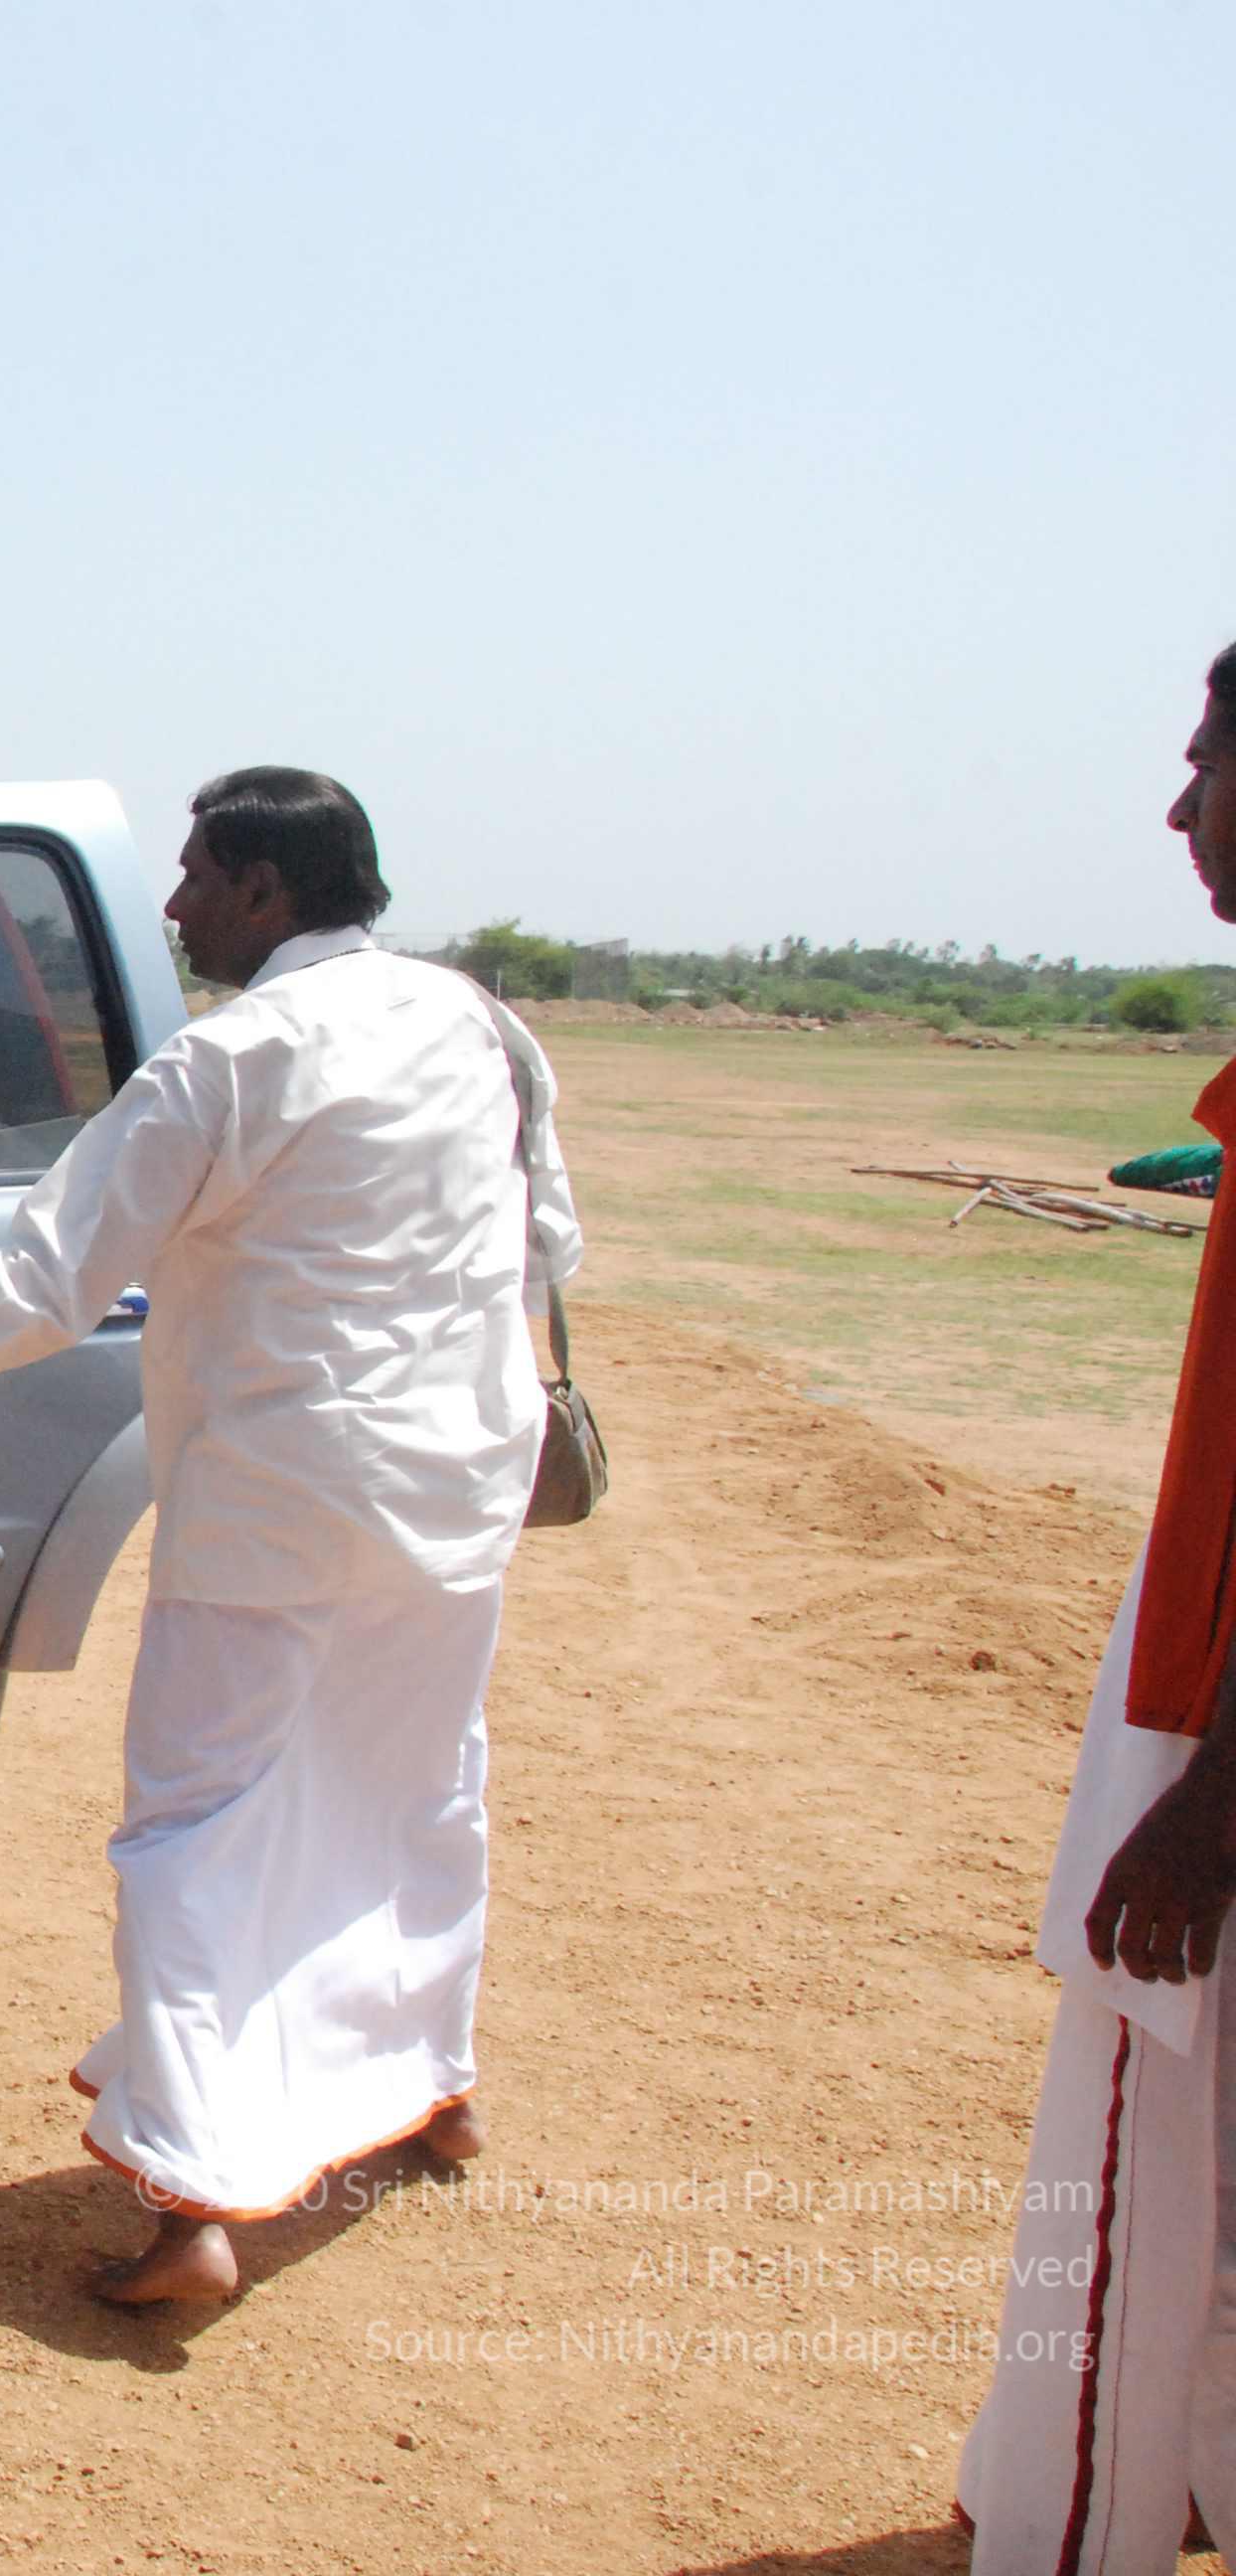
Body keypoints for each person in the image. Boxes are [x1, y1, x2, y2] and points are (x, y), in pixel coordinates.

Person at [0, 766, 583, 2304]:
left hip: (281, 1502)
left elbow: (36, 1295)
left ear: (265, 890)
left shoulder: (225, 1062)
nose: (172, 907)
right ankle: (435, 2090)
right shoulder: (479, 1025)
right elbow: (549, 1239)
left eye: (196, 876)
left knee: (196, 1828)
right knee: (422, 1783)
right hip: (459, 1487)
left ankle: (192, 2203)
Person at [955, 641, 1236, 2569]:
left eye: (1208, 759)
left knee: (1147, 2177)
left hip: (1206, 1731)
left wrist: (1213, 1798)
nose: (1177, 805)